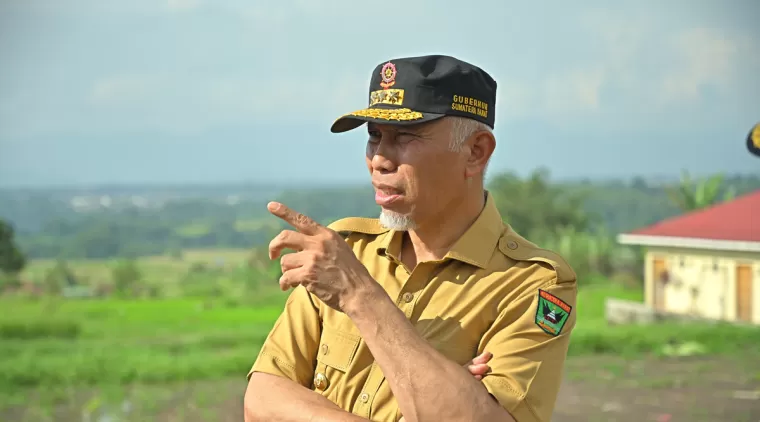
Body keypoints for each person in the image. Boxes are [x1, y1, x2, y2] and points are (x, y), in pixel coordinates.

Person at [243, 54, 577, 422]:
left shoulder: (532, 284)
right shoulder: (345, 248)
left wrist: (359, 295)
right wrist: (442, 396)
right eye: (374, 136)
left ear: (475, 152)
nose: (379, 159)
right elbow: (262, 401)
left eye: (406, 136)